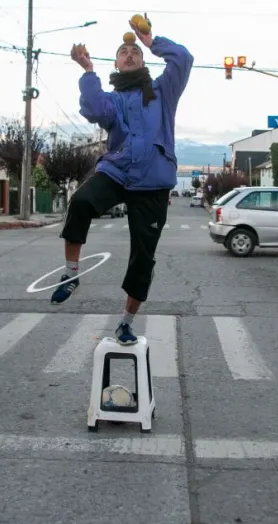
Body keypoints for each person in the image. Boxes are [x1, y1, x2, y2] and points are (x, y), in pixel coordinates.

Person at [50, 18, 194, 346]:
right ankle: (71, 275)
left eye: (134, 52)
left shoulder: (163, 91)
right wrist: (87, 70)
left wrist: (150, 40)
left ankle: (126, 322)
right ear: (115, 63)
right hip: (117, 171)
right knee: (82, 201)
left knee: (143, 257)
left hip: (154, 179)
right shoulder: (114, 101)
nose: (130, 55)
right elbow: (92, 108)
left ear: (142, 60)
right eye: (123, 52)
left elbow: (183, 58)